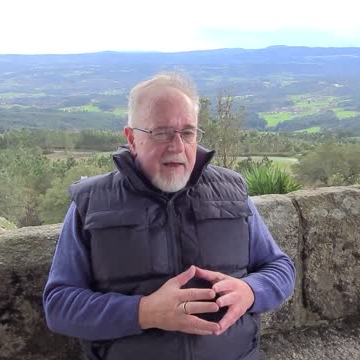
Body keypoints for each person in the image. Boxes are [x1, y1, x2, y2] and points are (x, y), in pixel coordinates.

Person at [42, 73, 295, 360]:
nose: (177, 146)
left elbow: (280, 268)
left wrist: (250, 291)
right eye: (161, 132)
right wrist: (144, 312)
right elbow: (59, 305)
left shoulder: (232, 192)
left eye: (187, 132)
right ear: (132, 138)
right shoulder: (91, 204)